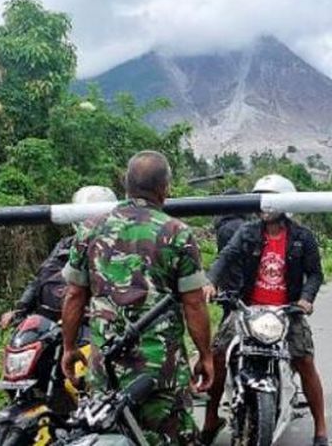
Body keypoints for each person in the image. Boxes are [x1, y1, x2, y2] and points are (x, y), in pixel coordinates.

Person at [60, 151, 214, 445]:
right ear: (164, 188)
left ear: (126, 185)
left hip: (107, 367)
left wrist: (69, 347)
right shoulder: (177, 233)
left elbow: (74, 294)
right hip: (160, 369)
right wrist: (205, 356)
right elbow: (194, 303)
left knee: (111, 434)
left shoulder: (90, 229)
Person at [203, 174, 329, 446]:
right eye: (260, 199)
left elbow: (315, 274)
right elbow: (225, 257)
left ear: (285, 204)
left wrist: (306, 298)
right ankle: (210, 420)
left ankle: (321, 428)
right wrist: (211, 281)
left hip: (287, 311)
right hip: (248, 308)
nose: (264, 206)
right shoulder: (247, 232)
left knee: (304, 361)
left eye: (270, 199)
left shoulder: (302, 238)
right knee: (217, 355)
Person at [0, 186, 117, 328]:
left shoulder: (121, 249)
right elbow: (40, 278)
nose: (91, 226)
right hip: (51, 322)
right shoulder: (65, 245)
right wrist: (20, 310)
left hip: (96, 324)